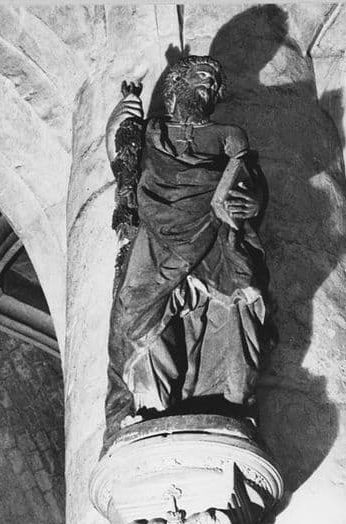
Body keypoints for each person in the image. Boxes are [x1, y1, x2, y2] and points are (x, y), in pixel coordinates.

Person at [103, 55, 269, 448]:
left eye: (213, 82)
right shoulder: (151, 130)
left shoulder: (230, 134)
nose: (207, 85)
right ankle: (149, 405)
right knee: (137, 310)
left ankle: (225, 402)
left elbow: (247, 178)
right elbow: (125, 168)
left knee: (230, 307)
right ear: (177, 84)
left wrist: (252, 202)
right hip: (157, 234)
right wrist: (119, 127)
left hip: (213, 230)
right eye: (200, 77)